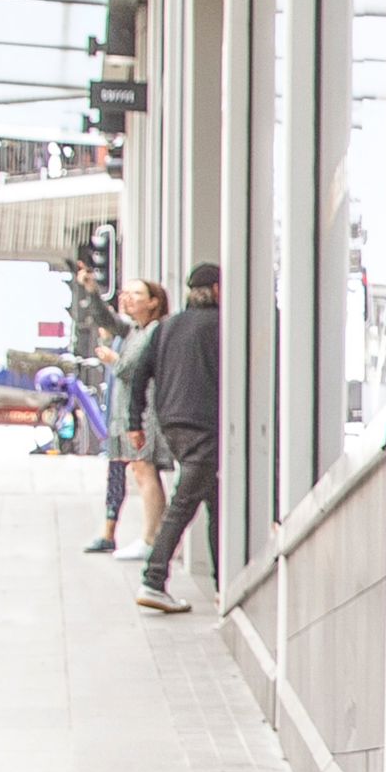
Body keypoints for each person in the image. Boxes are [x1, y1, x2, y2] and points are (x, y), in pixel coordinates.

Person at [134, 263, 221, 615]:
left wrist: (133, 419)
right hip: (205, 425)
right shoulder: (220, 326)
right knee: (184, 503)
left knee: (218, 501)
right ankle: (153, 580)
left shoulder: (167, 327)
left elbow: (141, 373)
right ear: (217, 290)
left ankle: (224, 582)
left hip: (173, 424)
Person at [92, 279, 171, 559]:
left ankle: (151, 538)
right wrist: (91, 290)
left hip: (145, 411)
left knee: (144, 469)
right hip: (131, 411)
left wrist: (115, 360)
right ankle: (152, 537)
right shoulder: (133, 331)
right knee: (140, 470)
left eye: (137, 293)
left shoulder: (153, 331)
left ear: (153, 301)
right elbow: (107, 319)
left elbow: (133, 367)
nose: (130, 298)